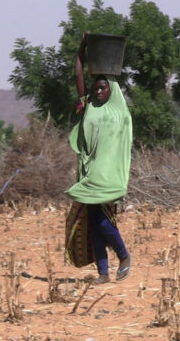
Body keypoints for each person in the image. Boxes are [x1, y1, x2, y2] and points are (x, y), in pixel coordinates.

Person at [64, 33, 132, 285]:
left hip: (109, 177)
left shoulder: (119, 111)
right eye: (96, 88)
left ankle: (124, 257)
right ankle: (103, 273)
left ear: (111, 89)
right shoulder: (88, 106)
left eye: (103, 88)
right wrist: (82, 48)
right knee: (94, 225)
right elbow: (78, 76)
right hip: (90, 176)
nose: (99, 91)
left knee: (104, 223)